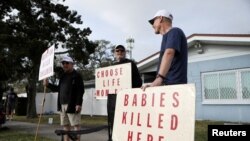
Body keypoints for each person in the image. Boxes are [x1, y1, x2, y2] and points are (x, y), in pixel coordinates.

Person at [142, 9, 188, 90]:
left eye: (153, 21)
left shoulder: (174, 31)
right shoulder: (167, 37)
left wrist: (159, 78)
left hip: (174, 85)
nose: (152, 25)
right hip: (168, 85)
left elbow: (169, 53)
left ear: (160, 18)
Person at [43, 56, 84, 141]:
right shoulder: (63, 76)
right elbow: (58, 89)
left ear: (72, 64)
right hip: (62, 105)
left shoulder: (77, 76)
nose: (64, 65)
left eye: (67, 63)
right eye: (63, 63)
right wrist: (48, 85)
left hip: (72, 105)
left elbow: (80, 91)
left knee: (75, 125)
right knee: (65, 126)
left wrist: (78, 103)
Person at [107, 45, 142, 141]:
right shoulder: (111, 66)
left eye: (122, 50)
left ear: (125, 52)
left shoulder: (131, 64)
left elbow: (138, 82)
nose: (119, 52)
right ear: (114, 53)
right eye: (117, 51)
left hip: (127, 101)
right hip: (113, 102)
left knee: (127, 124)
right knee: (114, 124)